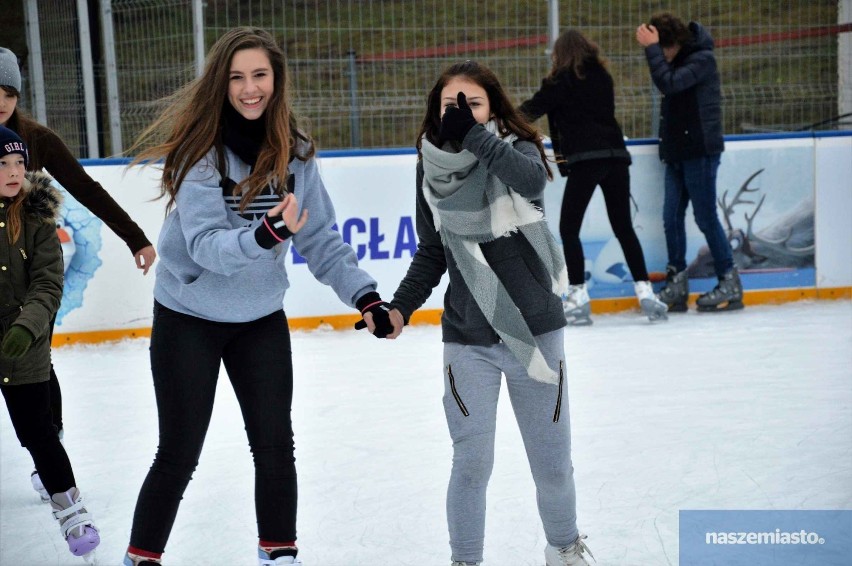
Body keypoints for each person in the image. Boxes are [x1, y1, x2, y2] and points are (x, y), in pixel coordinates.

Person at [121, 27, 399, 566]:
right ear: (220, 85)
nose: (250, 89)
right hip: (189, 316)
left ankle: (279, 556)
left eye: (260, 76)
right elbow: (204, 247)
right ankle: (141, 558)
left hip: (258, 317)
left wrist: (367, 298)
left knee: (275, 448)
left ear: (277, 80)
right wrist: (266, 234)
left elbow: (319, 238)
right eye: (237, 78)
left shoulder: (295, 153)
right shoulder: (199, 153)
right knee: (178, 453)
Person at [387, 60, 593, 566]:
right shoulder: (431, 169)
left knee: (552, 466)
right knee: (471, 463)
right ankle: (466, 560)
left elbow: (530, 182)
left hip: (535, 332)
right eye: (449, 106)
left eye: (471, 103)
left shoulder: (517, 149)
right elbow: (433, 250)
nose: (459, 113)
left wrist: (475, 136)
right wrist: (399, 307)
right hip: (468, 338)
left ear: (493, 107)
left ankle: (564, 548)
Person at [0, 45, 158, 499]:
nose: (2, 100)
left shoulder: (36, 139)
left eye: (9, 91)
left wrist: (135, 237)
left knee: (36, 357)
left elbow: (85, 188)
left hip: (35, 276)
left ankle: (50, 440)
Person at [519, 29, 668, 325]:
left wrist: (498, 124)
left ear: (560, 54)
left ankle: (577, 297)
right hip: (615, 156)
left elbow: (532, 110)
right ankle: (646, 292)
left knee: (569, 228)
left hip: (587, 160)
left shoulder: (559, 81)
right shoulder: (602, 76)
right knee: (623, 227)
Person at [0, 125, 101, 559]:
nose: (14, 171)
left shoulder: (38, 215)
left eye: (20, 162)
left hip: (26, 336)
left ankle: (71, 510)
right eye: (3, 163)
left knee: (37, 432)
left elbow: (47, 282)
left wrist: (26, 327)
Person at [636, 13, 744, 312]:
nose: (662, 57)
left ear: (674, 45)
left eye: (663, 50)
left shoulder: (701, 59)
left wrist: (652, 49)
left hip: (700, 150)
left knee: (705, 216)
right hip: (677, 152)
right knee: (671, 217)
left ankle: (729, 280)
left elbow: (669, 83)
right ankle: (678, 280)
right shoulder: (680, 60)